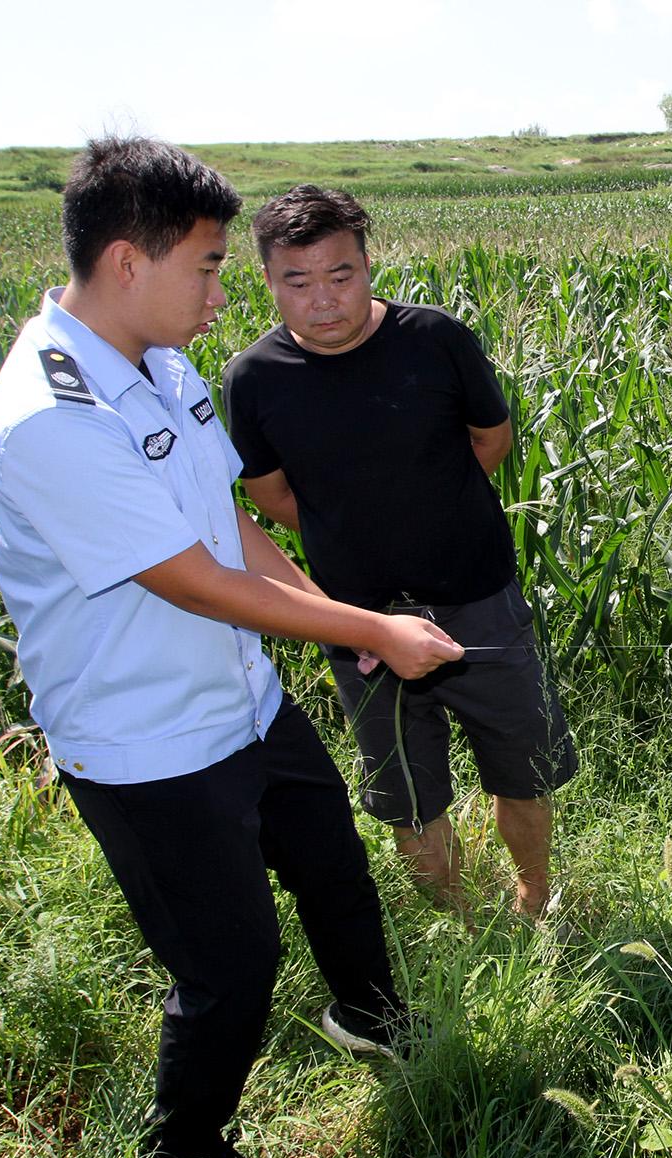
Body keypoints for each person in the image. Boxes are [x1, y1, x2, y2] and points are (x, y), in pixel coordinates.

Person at [0, 137, 464, 1158]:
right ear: (127, 262)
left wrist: (328, 611)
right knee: (230, 967)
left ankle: (370, 1017)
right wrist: (371, 631)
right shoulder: (50, 416)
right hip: (146, 741)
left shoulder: (162, 362)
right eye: (205, 266)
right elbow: (187, 578)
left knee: (333, 866)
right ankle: (187, 1152)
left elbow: (226, 523)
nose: (218, 293)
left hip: (243, 699)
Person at [223, 185, 577, 918]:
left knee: (524, 769)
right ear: (268, 281)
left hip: (478, 599)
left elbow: (491, 441)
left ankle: (535, 899)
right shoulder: (253, 378)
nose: (324, 300)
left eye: (340, 275)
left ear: (367, 265)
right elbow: (270, 494)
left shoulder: (436, 339)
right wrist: (357, 535)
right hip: (359, 621)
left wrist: (429, 511)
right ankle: (456, 917)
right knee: (405, 794)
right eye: (298, 281)